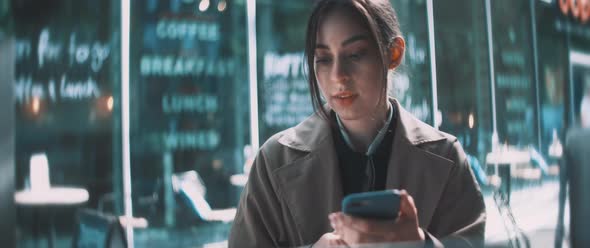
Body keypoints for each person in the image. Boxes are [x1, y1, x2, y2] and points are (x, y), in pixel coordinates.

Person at [229, 0, 485, 247]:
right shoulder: (274, 160)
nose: (338, 75)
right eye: (324, 58)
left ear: (393, 54)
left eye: (355, 54)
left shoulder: (446, 156)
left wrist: (421, 244)